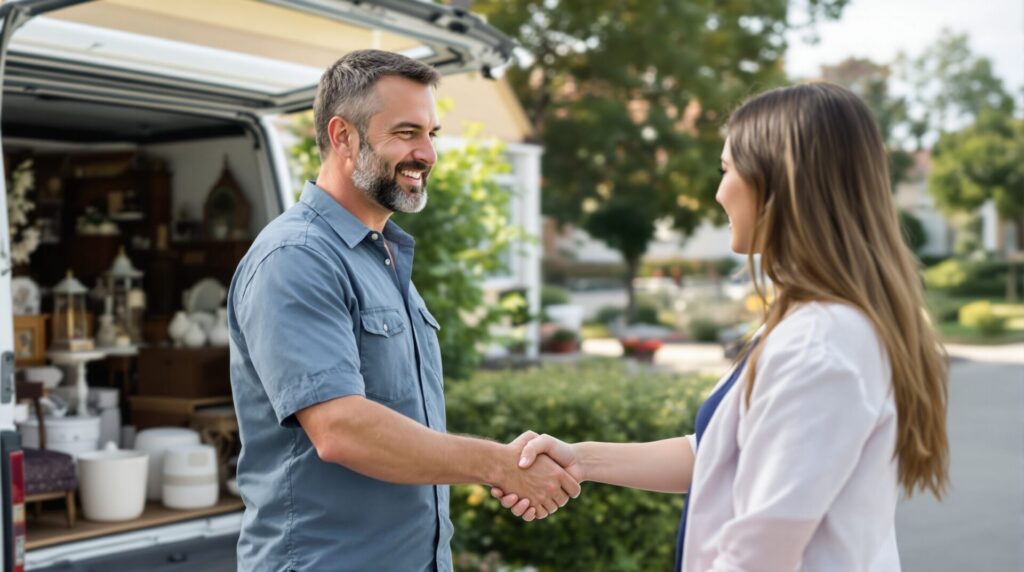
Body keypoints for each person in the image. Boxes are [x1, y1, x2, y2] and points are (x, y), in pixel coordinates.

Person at [493, 82, 950, 571]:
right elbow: (717, 454)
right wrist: (581, 460)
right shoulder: (816, 324)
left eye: (726, 169)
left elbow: (762, 551)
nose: (717, 191)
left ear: (777, 183)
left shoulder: (820, 345)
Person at [227, 50, 579, 572]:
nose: (428, 153)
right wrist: (499, 465)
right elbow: (341, 428)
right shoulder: (296, 258)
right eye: (407, 132)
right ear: (343, 136)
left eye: (432, 133)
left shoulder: (381, 254)